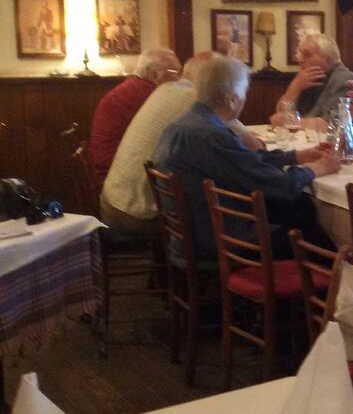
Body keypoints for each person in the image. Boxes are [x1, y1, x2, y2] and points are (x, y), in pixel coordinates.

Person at [155, 56, 340, 259]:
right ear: (233, 99)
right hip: (219, 241)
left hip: (193, 233)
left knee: (298, 207)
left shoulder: (183, 125)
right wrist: (318, 168)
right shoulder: (210, 135)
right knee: (318, 242)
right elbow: (279, 184)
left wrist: (296, 157)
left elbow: (244, 159)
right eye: (244, 93)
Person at [100, 52, 216, 234]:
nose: (178, 76)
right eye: (175, 71)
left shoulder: (159, 90)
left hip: (111, 198)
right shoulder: (192, 98)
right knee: (209, 213)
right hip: (135, 213)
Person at [89, 48, 181, 191]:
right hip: (116, 179)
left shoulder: (133, 87)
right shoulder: (147, 96)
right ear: (154, 75)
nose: (179, 78)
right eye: (174, 71)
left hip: (113, 169)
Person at [270, 34, 353, 129]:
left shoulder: (345, 80)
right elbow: (281, 113)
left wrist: (291, 122)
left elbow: (334, 125)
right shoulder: (308, 78)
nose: (300, 59)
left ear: (328, 59)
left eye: (306, 54)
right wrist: (294, 89)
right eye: (300, 54)